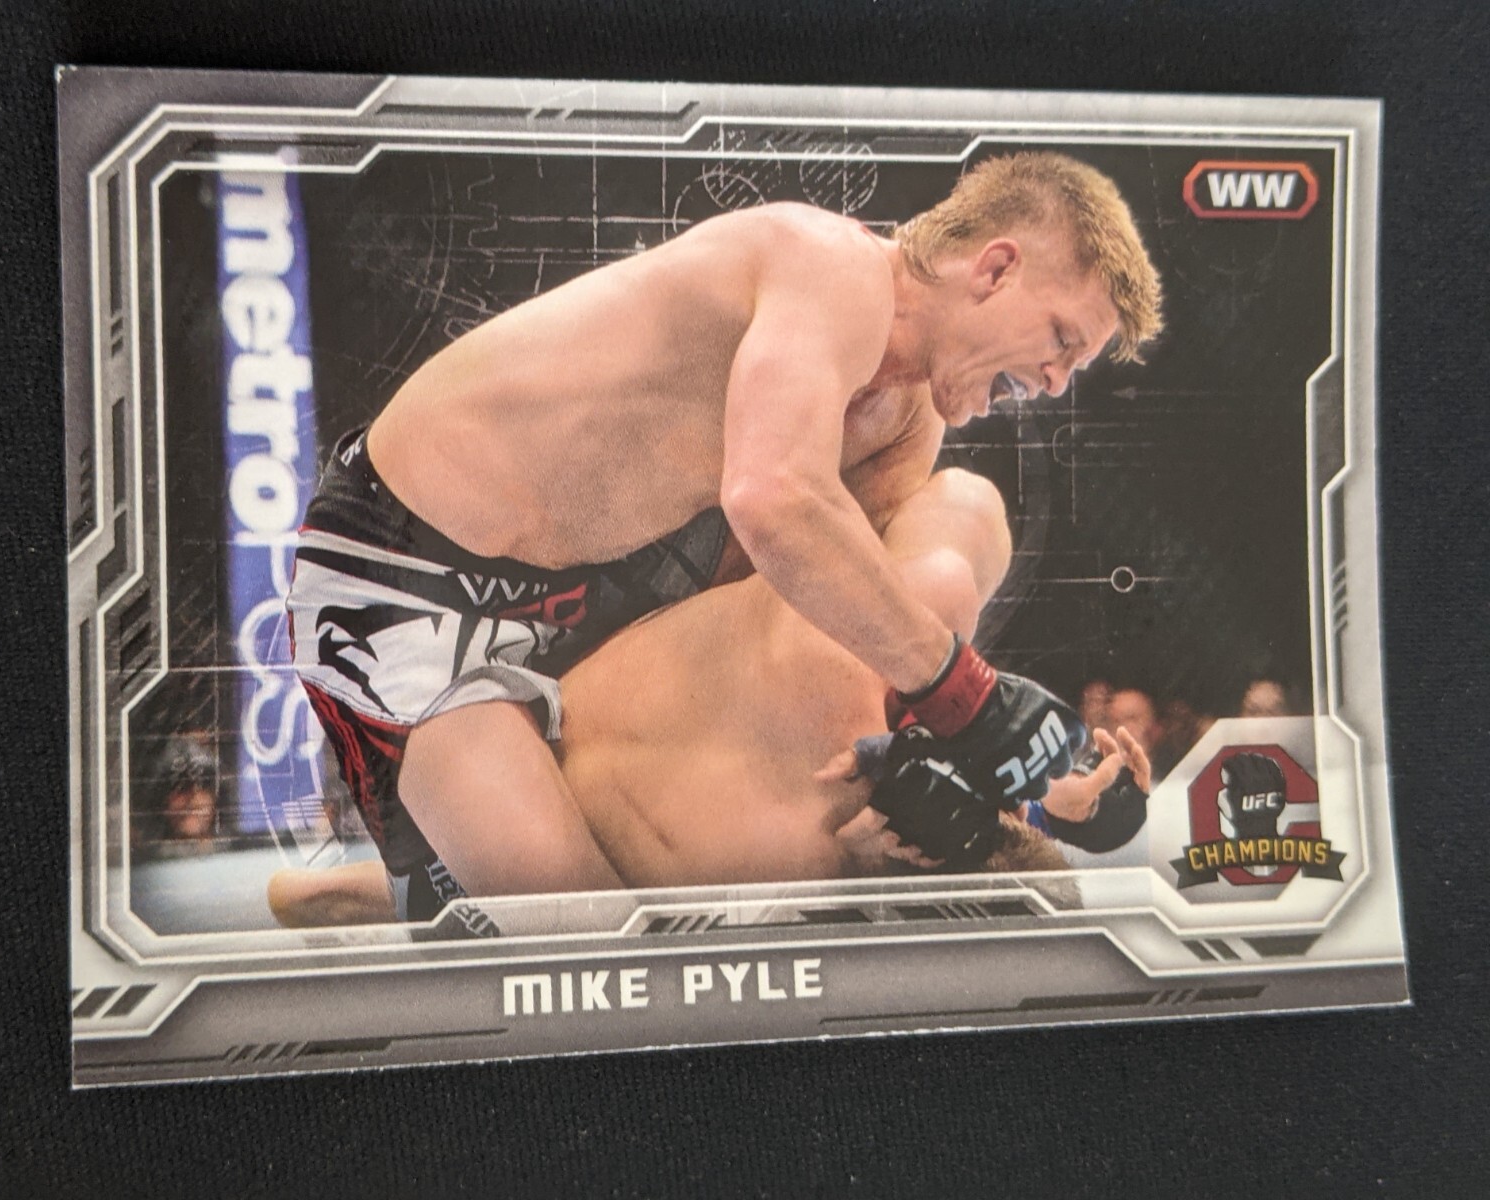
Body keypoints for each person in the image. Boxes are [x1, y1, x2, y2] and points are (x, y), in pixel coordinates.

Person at [286, 151, 1163, 920]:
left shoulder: (909, 420)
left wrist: (1030, 787)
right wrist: (969, 700)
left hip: (596, 596)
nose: (1056, 382)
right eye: (1061, 340)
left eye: (1074, 366)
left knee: (859, 699)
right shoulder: (828, 263)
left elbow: (831, 633)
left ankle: (450, 873)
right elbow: (772, 500)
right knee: (594, 950)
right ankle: (435, 882)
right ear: (996, 269)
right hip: (399, 581)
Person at [272, 468, 1153, 929]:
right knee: (582, 924)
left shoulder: (901, 616)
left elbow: (966, 498)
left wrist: (985, 716)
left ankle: (411, 888)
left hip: (514, 636)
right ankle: (407, 890)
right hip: (476, 737)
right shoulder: (780, 869)